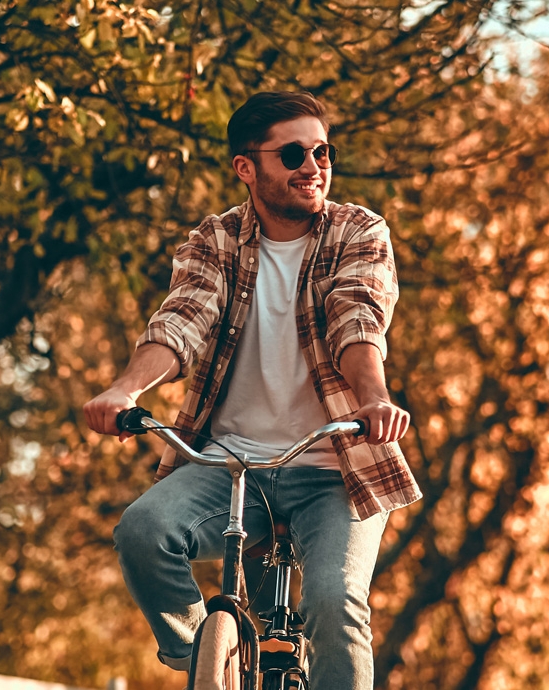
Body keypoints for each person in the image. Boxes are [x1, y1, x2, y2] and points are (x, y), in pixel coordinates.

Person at [82, 91, 415, 690]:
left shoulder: (357, 231)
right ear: (246, 167)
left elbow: (356, 316)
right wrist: (123, 390)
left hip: (335, 468)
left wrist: (373, 398)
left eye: (321, 151)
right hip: (232, 468)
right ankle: (209, 668)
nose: (312, 166)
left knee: (333, 603)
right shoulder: (217, 239)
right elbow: (182, 319)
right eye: (292, 154)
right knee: (142, 532)